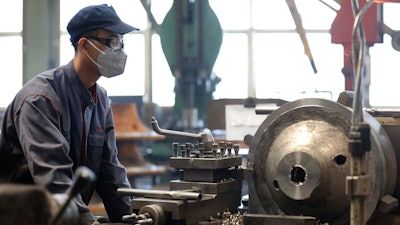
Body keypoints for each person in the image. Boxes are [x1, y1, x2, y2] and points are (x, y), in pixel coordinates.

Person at [0, 4, 139, 225]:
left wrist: (134, 218)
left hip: (65, 216)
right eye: (112, 41)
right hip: (22, 216)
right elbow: (54, 180)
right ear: (84, 45)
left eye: (120, 42)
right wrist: (89, 222)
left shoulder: (100, 99)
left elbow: (110, 174)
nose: (119, 50)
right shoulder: (41, 100)